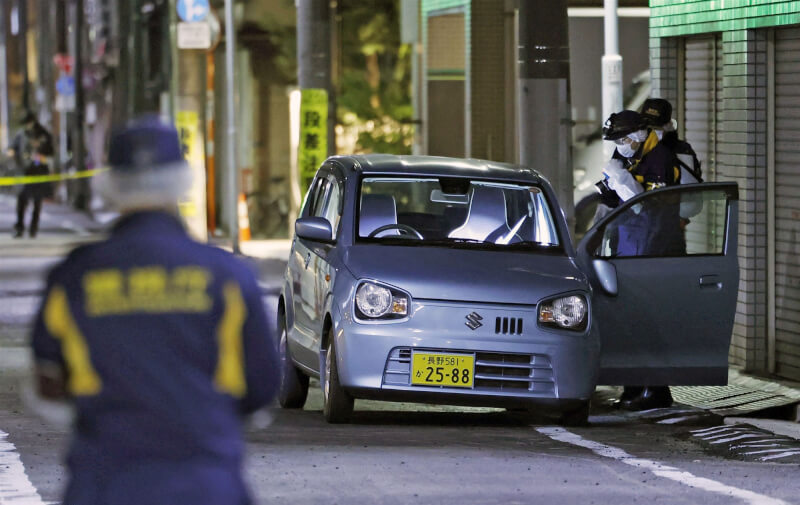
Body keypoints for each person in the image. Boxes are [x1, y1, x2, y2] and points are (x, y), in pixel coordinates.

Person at [29, 115, 280, 505]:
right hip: (206, 484)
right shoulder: (228, 277)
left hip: (105, 484)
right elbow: (262, 385)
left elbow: (48, 383)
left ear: (109, 184)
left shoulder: (74, 278)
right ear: (184, 181)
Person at [597, 109, 681, 410]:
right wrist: (610, 189)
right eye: (616, 141)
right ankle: (632, 388)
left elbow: (651, 205)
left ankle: (656, 390)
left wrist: (624, 183)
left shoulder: (660, 159)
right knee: (629, 324)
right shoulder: (628, 157)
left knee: (649, 323)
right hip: (628, 249)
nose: (620, 146)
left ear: (637, 135)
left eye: (622, 140)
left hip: (652, 250)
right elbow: (618, 202)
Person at [10, 110, 54, 237]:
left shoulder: (44, 134)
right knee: (21, 201)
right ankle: (19, 227)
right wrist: (13, 154)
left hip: (39, 172)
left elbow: (50, 153)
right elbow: (12, 148)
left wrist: (42, 157)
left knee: (37, 201)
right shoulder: (21, 134)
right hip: (24, 172)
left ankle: (33, 228)